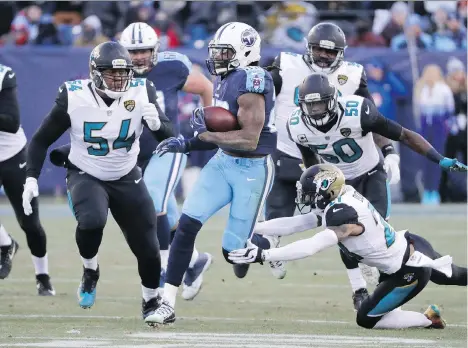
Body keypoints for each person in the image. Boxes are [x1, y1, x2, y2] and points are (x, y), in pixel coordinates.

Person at [21, 41, 174, 324]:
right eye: (111, 73)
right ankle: (90, 270)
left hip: (127, 174)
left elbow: (170, 135)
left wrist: (159, 125)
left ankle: (151, 301)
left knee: (149, 250)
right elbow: (41, 139)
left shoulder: (142, 91)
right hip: (86, 171)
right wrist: (31, 177)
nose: (119, 79)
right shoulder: (74, 95)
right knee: (92, 221)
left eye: (123, 73)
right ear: (94, 72)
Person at [147, 22, 280, 325]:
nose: (218, 57)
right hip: (223, 163)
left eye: (225, 52)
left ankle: (269, 247)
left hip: (253, 169)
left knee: (235, 254)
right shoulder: (227, 77)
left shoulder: (253, 79)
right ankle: (166, 302)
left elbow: (250, 139)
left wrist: (200, 138)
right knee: (185, 227)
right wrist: (187, 143)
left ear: (246, 52)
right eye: (216, 52)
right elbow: (224, 132)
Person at [228, 163, 467, 330]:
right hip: (412, 244)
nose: (306, 199)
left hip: (407, 271)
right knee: (455, 275)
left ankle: (428, 319)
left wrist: (263, 253)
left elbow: (312, 245)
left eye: (310, 194)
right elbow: (298, 223)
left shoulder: (342, 212)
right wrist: (254, 226)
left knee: (367, 318)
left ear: (325, 191)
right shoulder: (344, 196)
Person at [264, 22, 400, 310]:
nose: (324, 56)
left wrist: (389, 150)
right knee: (282, 209)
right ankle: (268, 247)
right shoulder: (286, 66)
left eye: (330, 51)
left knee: (346, 222)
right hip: (287, 148)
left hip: (328, 157)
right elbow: (259, 94)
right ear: (308, 48)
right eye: (318, 49)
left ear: (341, 52)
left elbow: (372, 119)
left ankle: (364, 283)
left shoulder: (351, 74)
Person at [119, 22, 214, 300]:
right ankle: (194, 262)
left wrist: (207, 125)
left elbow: (205, 87)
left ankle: (160, 275)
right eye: (133, 52)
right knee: (168, 216)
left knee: (153, 201)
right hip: (135, 154)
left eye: (144, 51)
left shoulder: (172, 67)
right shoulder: (113, 72)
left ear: (155, 50)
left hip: (167, 147)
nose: (138, 57)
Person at [0, 63, 55, 295]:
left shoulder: (3, 74)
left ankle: (42, 276)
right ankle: (5, 244)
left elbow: (11, 122)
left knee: (30, 223)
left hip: (11, 155)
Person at [414, 64, 455, 205]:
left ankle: (435, 191)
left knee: (437, 159)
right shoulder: (422, 90)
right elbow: (418, 110)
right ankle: (426, 191)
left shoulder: (444, 90)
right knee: (425, 160)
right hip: (425, 128)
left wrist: (446, 128)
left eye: (433, 73)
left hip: (438, 128)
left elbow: (450, 111)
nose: (430, 77)